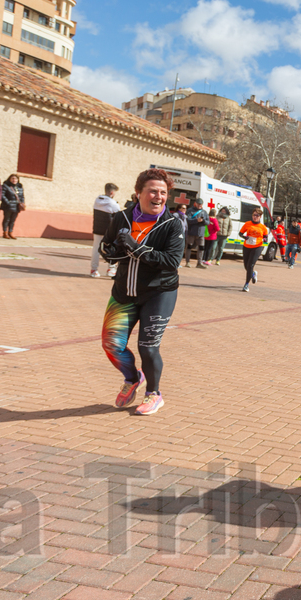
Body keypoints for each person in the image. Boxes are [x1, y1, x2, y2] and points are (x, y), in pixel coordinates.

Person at [98, 168, 186, 416]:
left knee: (148, 347)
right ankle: (133, 377)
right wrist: (113, 249)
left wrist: (136, 248)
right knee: (111, 344)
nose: (158, 197)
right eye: (153, 191)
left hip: (159, 294)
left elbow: (170, 261)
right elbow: (107, 250)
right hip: (124, 292)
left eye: (163, 192)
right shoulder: (121, 219)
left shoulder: (172, 224)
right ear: (139, 194)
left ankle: (154, 394)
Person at [91, 184, 122, 278]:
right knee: (112, 249)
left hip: (97, 229)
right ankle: (111, 269)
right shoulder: (113, 204)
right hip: (109, 231)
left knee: (96, 249)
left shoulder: (97, 200)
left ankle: (93, 270)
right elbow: (118, 215)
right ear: (112, 193)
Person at [238, 208, 268, 292]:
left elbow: (265, 236)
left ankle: (246, 284)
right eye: (254, 215)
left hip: (257, 247)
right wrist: (245, 237)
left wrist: (265, 239)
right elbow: (240, 233)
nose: (255, 217)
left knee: (250, 265)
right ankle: (253, 273)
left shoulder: (263, 227)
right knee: (246, 266)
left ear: (260, 217)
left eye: (257, 215)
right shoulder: (247, 224)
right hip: (247, 246)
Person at [183, 199, 208, 268]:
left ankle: (199, 263)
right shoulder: (190, 211)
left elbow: (208, 222)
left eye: (201, 204)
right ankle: (187, 262)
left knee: (201, 248)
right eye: (198, 204)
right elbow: (188, 220)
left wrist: (203, 220)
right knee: (189, 247)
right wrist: (196, 220)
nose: (199, 205)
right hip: (191, 233)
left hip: (201, 234)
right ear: (195, 203)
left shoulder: (204, 212)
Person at [0, 173, 25, 239]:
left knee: (12, 220)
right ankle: (5, 233)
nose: (14, 180)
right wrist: (8, 202)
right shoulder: (6, 186)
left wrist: (22, 203)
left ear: (18, 180)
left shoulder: (19, 187)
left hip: (16, 206)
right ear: (9, 179)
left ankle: (10, 232)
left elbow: (22, 196)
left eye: (15, 178)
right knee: (6, 219)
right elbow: (2, 195)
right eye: (12, 178)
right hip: (8, 206)